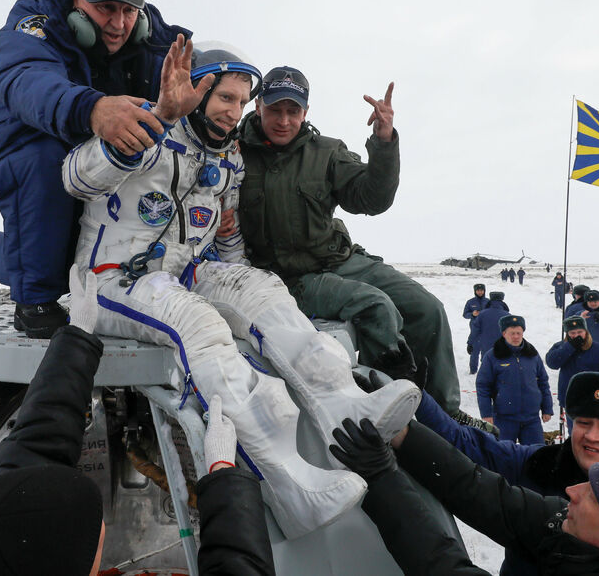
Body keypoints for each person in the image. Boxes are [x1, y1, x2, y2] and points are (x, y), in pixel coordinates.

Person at [62, 44, 419, 539]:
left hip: (185, 271)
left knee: (265, 291)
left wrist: (243, 289)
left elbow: (226, 233)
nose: (235, 111)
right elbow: (76, 178)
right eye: (225, 97)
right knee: (201, 326)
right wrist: (161, 116)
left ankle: (347, 410)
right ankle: (290, 485)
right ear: (197, 90)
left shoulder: (227, 157)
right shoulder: (147, 124)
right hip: (111, 277)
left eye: (242, 100)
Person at [0, 0, 192, 338]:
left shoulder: (151, 33)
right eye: (105, 9)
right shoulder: (34, 19)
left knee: (83, 256)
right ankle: (13, 281)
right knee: (46, 194)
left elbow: (192, 80)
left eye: (129, 10)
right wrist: (93, 107)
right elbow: (27, 78)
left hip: (85, 139)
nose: (118, 23)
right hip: (17, 131)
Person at [0, 277, 275, 575]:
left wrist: (76, 338)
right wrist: (224, 475)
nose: (102, 528)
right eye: (93, 531)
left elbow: (30, 451)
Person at [234, 66, 472, 428]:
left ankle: (447, 417)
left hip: (340, 258)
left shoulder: (326, 152)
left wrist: (384, 141)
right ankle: (386, 415)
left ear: (305, 112)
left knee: (428, 308)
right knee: (378, 309)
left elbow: (372, 199)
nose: (283, 120)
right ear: (258, 108)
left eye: (293, 111)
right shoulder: (231, 152)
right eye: (274, 110)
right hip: (290, 277)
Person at [332, 416, 599, 575]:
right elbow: (493, 497)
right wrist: (405, 432)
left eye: (595, 497)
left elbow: (445, 569)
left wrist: (382, 479)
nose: (572, 491)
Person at [398, 370, 599, 575]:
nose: (591, 436)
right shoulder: (540, 463)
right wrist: (416, 393)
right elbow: (465, 443)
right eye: (584, 423)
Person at [475, 315, 553, 445]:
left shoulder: (532, 354)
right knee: (502, 457)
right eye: (512, 333)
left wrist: (547, 408)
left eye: (518, 333)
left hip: (531, 419)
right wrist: (486, 413)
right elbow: (483, 386)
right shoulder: (492, 356)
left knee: (536, 457)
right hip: (504, 419)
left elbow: (543, 382)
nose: (516, 337)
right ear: (504, 333)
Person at [545, 315, 599, 433]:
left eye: (579, 332)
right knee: (576, 433)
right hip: (570, 398)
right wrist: (569, 347)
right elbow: (552, 363)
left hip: (593, 399)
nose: (576, 335)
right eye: (572, 333)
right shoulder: (561, 346)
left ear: (586, 331)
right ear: (567, 334)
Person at [468, 290, 508, 374]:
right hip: (502, 349)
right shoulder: (507, 315)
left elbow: (475, 330)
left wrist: (470, 343)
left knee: (487, 369)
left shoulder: (482, 314)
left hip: (486, 348)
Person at [462, 283, 489, 360]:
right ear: (475, 291)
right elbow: (465, 314)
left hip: (486, 328)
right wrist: (472, 314)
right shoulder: (470, 302)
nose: (480, 292)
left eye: (481, 290)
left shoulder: (488, 301)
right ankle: (473, 371)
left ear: (484, 291)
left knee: (486, 352)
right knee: (474, 352)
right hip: (474, 329)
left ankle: (485, 369)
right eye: (478, 290)